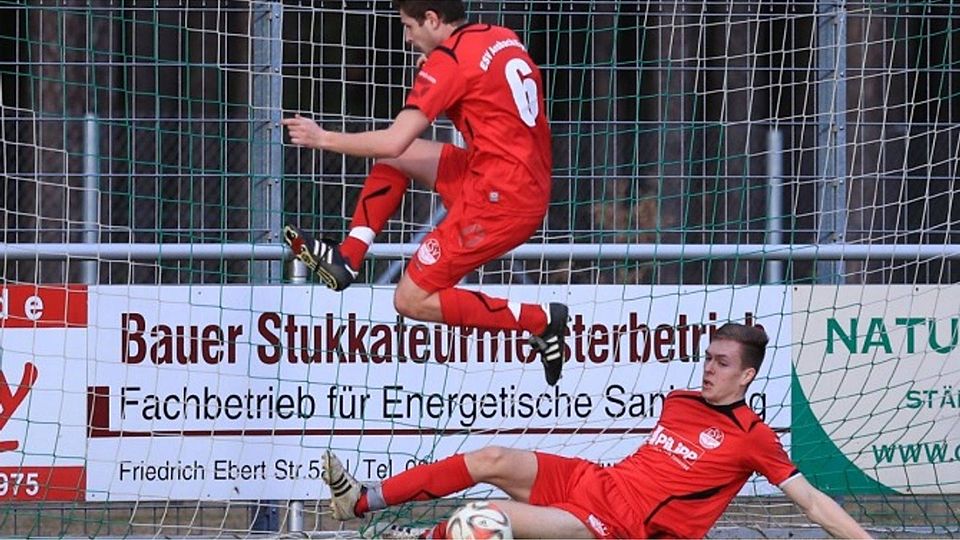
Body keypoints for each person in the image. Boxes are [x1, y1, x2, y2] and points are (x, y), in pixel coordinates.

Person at [320, 323, 872, 539]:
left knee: (479, 523)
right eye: (707, 358)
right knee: (491, 458)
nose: (708, 369)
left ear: (747, 375)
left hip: (618, 524)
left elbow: (812, 503)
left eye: (722, 363)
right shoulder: (680, 401)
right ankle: (361, 503)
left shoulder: (754, 436)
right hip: (596, 483)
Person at [281, 0, 567, 385]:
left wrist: (323, 138)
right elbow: (489, 98)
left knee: (410, 299)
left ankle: (542, 321)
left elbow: (393, 139)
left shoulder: (449, 61)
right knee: (405, 158)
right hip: (511, 179)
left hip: (501, 201)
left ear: (432, 19)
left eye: (409, 26)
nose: (406, 37)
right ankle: (348, 257)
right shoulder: (501, 37)